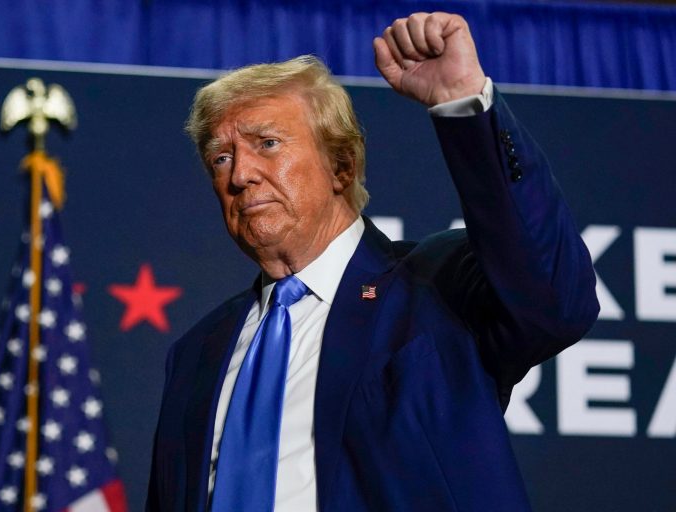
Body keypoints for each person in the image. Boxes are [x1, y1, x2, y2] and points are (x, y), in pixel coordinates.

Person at [147, 11, 599, 512]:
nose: (241, 175)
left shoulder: (436, 287)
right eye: (221, 158)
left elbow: (557, 300)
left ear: (340, 166)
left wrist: (462, 105)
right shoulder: (195, 354)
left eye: (267, 144)